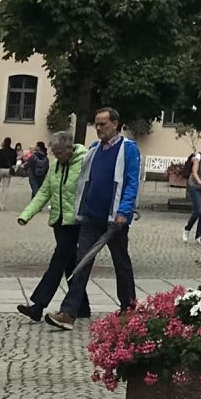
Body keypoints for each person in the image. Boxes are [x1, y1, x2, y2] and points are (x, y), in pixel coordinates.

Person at [45, 106, 139, 330]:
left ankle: (129, 308)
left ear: (115, 124)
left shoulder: (128, 149)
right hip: (91, 216)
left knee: (121, 263)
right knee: (82, 263)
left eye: (103, 124)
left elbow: (131, 181)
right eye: (96, 124)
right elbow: (86, 180)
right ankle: (68, 313)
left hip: (114, 219)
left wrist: (124, 212)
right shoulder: (95, 149)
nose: (98, 128)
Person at [16, 131, 90, 324]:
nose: (56, 156)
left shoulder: (84, 162)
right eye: (54, 153)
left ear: (69, 148)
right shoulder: (56, 166)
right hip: (58, 221)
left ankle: (38, 306)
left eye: (58, 152)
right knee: (70, 264)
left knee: (57, 263)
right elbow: (44, 192)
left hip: (75, 222)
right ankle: (82, 306)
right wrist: (26, 214)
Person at [0, 137, 17, 210]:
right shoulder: (13, 151)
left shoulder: (0, 151)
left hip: (0, 169)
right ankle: (2, 205)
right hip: (8, 170)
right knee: (5, 188)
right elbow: (14, 162)